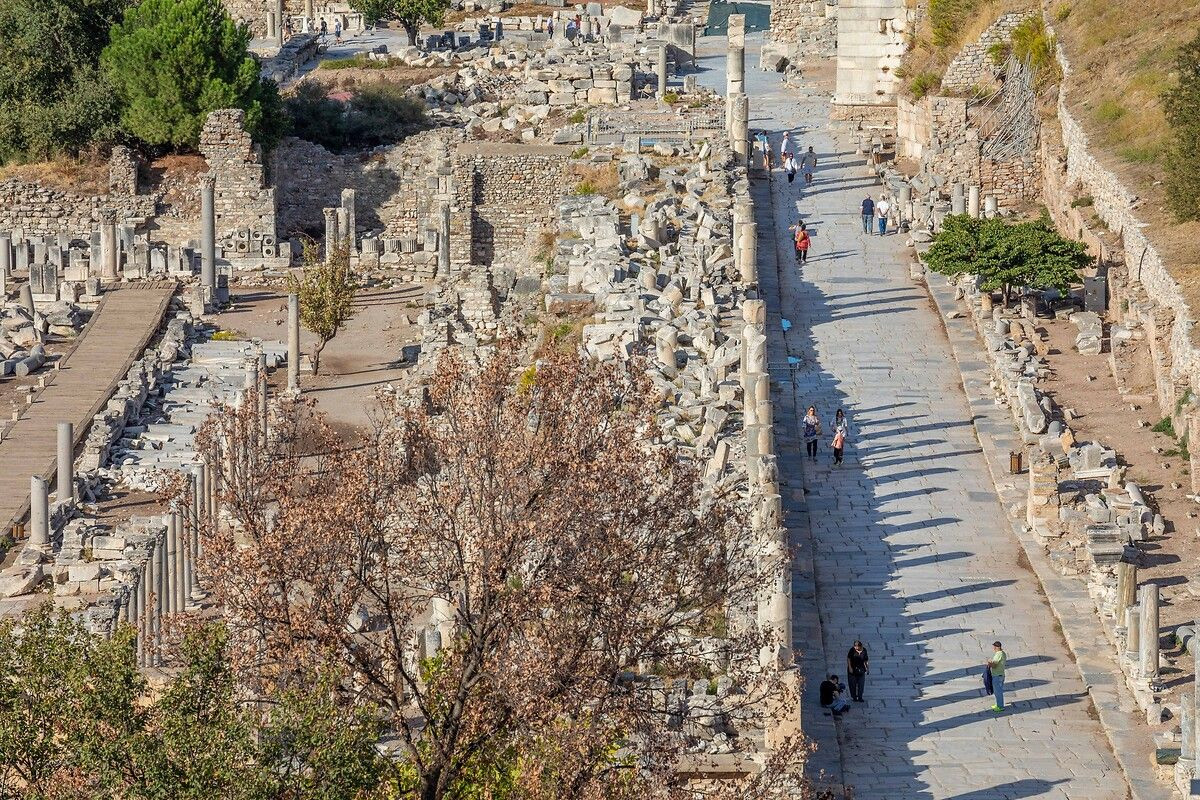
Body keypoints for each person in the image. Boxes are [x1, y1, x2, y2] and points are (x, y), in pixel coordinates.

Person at [986, 641, 1008, 712]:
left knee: (998, 692)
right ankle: (998, 704)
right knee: (998, 691)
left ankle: (1000, 706)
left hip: (997, 676)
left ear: (996, 647)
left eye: (994, 647)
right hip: (1001, 675)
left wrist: (989, 663)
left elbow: (994, 665)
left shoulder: (998, 654)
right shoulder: (1003, 653)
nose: (994, 648)